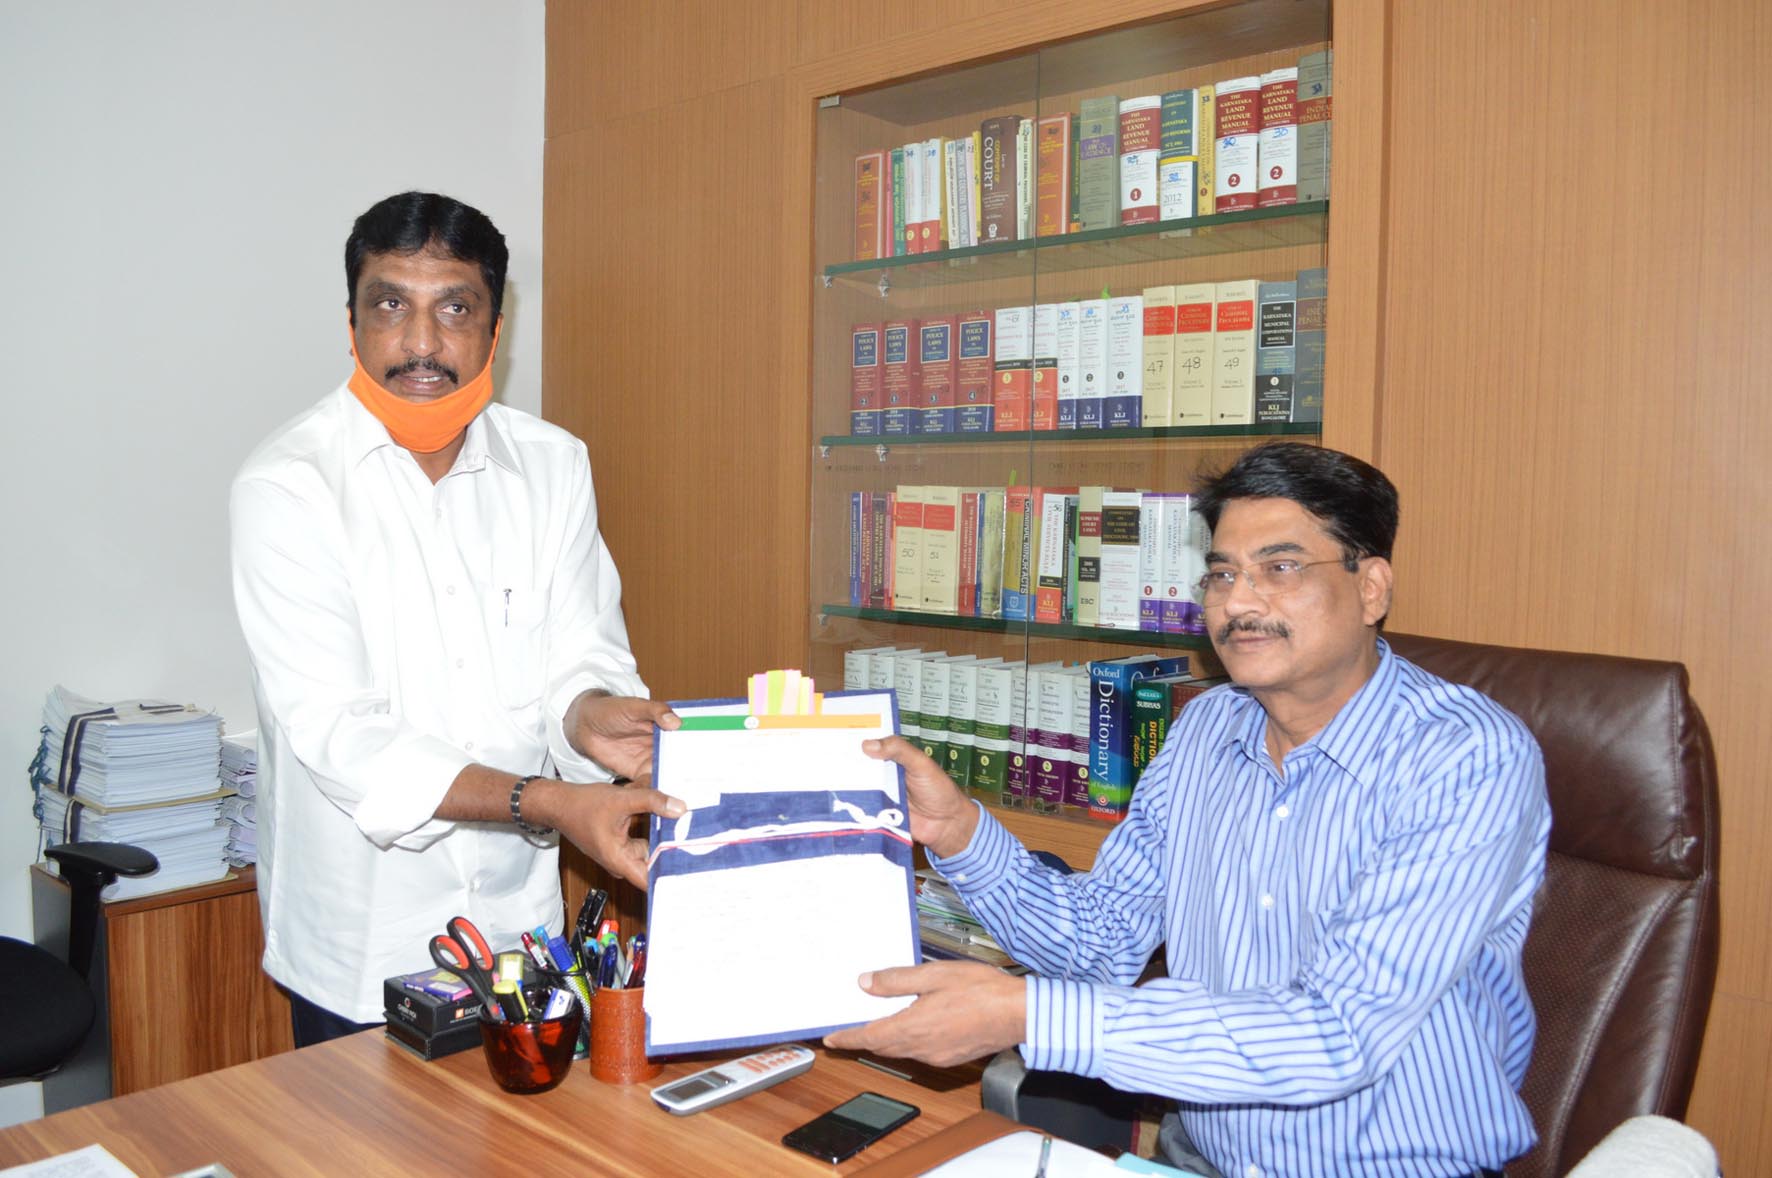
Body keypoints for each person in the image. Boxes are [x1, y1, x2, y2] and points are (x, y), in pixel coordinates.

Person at [828, 443, 1552, 1177]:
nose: (1238, 603)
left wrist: (1026, 1013)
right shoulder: (1206, 727)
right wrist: (959, 833)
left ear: (1371, 589)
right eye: (1222, 574)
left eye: (1280, 568)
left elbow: (1338, 1034)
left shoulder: (1465, 756)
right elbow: (1101, 944)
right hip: (1200, 1158)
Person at [229, 191, 682, 1046]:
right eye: (390, 305)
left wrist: (590, 715)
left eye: (455, 309)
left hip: (520, 936)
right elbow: (343, 736)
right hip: (364, 947)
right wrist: (548, 803)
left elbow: (580, 652)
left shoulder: (553, 466)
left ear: (495, 330)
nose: (422, 344)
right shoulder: (288, 486)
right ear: (352, 322)